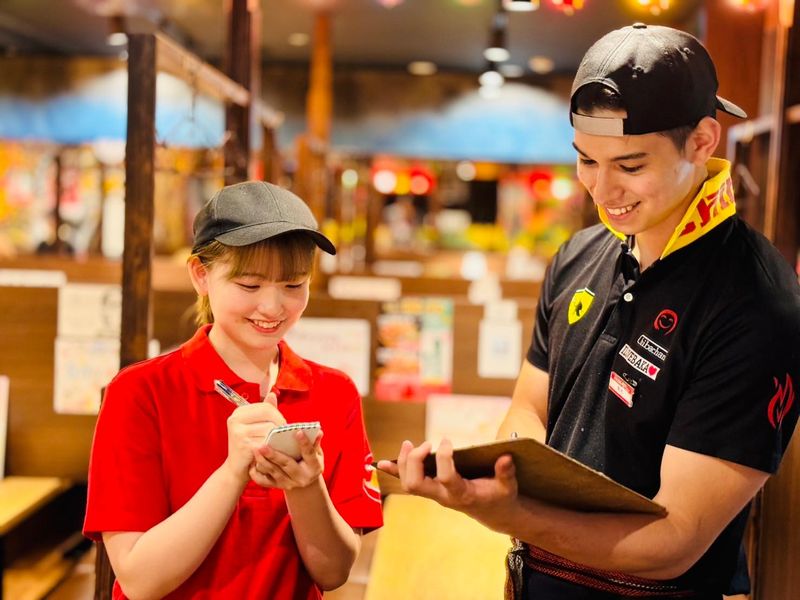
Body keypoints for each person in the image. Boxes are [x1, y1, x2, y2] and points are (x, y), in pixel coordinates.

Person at [378, 23, 800, 599]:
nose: (602, 191)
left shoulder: (756, 301)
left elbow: (674, 541)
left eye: (630, 166)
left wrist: (511, 514)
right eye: (586, 161)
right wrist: (495, 478)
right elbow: (530, 406)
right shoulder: (579, 254)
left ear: (702, 142)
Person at [84, 181, 383, 599]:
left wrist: (305, 484)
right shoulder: (140, 392)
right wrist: (232, 472)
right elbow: (139, 580)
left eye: (293, 285)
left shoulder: (334, 393)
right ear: (201, 275)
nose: (273, 307)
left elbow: (333, 572)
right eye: (249, 285)